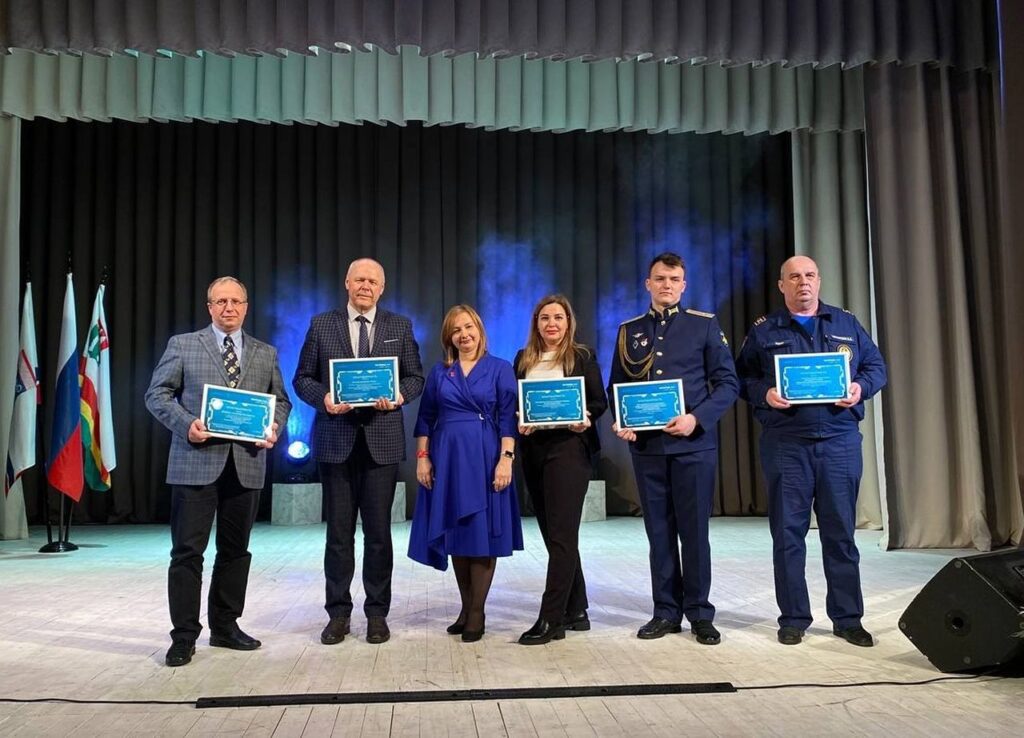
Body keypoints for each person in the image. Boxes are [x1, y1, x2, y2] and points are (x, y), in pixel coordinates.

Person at [735, 255, 887, 647]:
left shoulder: (846, 324)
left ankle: (848, 619)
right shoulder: (764, 330)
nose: (803, 282)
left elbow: (876, 368)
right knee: (788, 536)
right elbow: (741, 378)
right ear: (781, 285)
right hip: (787, 444)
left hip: (839, 441)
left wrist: (860, 388)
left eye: (809, 275)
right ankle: (793, 618)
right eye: (794, 277)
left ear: (818, 281)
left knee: (841, 535)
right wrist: (765, 394)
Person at [145, 276, 292, 668]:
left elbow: (280, 401)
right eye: (221, 301)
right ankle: (183, 637)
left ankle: (225, 627)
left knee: (235, 551)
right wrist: (186, 424)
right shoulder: (183, 345)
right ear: (209, 306)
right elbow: (156, 395)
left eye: (236, 301)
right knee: (187, 552)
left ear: (246, 307)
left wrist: (273, 427)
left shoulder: (265, 352)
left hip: (246, 464)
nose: (229, 308)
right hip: (195, 462)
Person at [607, 252, 739, 645]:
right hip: (648, 449)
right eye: (660, 278)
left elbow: (728, 384)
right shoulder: (629, 330)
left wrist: (696, 418)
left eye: (674, 279)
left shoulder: (703, 325)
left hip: (693, 446)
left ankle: (699, 613)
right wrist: (622, 419)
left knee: (694, 533)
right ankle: (665, 611)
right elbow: (617, 387)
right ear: (648, 283)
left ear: (684, 285)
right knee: (659, 533)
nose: (667, 285)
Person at [293, 258, 424, 645]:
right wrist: (325, 398)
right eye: (360, 279)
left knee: (379, 535)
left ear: (382, 288)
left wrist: (399, 396)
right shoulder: (322, 324)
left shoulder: (400, 326)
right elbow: (302, 378)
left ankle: (377, 613)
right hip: (335, 442)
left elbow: (415, 377)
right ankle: (338, 614)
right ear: (347, 283)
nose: (366, 286)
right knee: (338, 536)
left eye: (373, 281)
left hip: (382, 444)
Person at [409, 304, 524, 642]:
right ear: (449, 336)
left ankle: (477, 612)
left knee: (481, 533)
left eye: (469, 327)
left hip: (486, 457)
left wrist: (506, 459)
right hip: (447, 458)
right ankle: (466, 607)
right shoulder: (439, 372)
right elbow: (425, 418)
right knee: (457, 532)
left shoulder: (500, 368)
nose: (464, 334)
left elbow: (508, 418)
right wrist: (423, 458)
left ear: (479, 330)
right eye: (457, 330)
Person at [513, 294, 607, 645]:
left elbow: (598, 401)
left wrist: (585, 417)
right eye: (545, 318)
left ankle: (551, 618)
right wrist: (520, 419)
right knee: (554, 535)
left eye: (558, 317)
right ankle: (577, 608)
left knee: (563, 535)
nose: (551, 323)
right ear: (536, 324)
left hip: (569, 448)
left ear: (568, 323)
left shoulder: (582, 356)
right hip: (534, 449)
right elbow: (517, 402)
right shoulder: (523, 359)